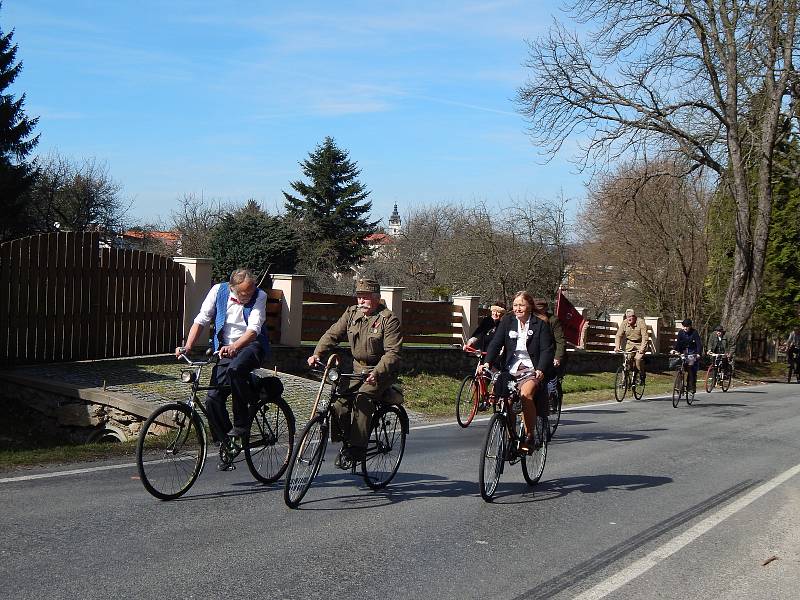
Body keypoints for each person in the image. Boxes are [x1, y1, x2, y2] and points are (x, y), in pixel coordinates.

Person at [307, 278, 402, 469]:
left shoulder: (388, 319)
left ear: (376, 298)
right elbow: (332, 334)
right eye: (359, 297)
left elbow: (393, 353)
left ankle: (358, 449)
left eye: (365, 298)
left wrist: (377, 372)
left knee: (363, 398)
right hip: (357, 369)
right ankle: (346, 443)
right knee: (339, 402)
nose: (360, 302)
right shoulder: (351, 313)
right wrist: (317, 353)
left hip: (381, 372)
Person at [178, 268, 270, 458]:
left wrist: (236, 346)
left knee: (236, 370)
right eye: (245, 293)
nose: (249, 295)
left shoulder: (260, 296)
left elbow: (254, 329)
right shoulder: (218, 291)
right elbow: (201, 319)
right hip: (225, 350)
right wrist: (187, 347)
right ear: (232, 288)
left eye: (251, 291)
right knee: (212, 398)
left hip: (251, 346)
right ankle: (227, 442)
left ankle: (241, 425)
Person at [483, 291, 554, 452]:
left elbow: (546, 350)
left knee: (525, 394)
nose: (518, 308)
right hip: (511, 368)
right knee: (506, 400)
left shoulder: (540, 324)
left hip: (531, 368)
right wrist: (487, 363)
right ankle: (511, 437)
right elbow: (495, 343)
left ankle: (529, 436)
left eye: (521, 305)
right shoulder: (507, 321)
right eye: (515, 305)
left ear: (529, 306)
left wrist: (541, 369)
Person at [533, 298, 566, 403]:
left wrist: (558, 357)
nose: (538, 312)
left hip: (551, 351)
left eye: (541, 310)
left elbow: (560, 341)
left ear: (545, 309)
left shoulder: (553, 320)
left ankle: (551, 395)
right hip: (534, 353)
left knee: (550, 374)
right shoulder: (530, 320)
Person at [614, 308, 649, 384]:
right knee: (627, 361)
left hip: (640, 344)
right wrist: (617, 346)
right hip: (630, 344)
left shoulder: (641, 322)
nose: (629, 318)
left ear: (634, 316)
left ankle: (642, 375)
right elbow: (618, 335)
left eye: (631, 316)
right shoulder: (624, 323)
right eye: (628, 317)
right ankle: (624, 380)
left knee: (638, 359)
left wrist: (642, 349)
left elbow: (645, 337)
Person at [673, 318, 703, 395]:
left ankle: (691, 387)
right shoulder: (681, 332)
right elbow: (678, 343)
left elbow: (699, 344)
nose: (685, 328)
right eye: (684, 326)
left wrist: (699, 353)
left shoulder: (694, 333)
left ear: (690, 326)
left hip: (692, 352)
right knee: (679, 368)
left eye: (687, 326)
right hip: (683, 352)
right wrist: (674, 350)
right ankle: (679, 387)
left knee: (691, 368)